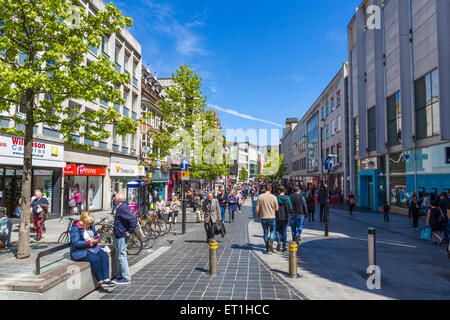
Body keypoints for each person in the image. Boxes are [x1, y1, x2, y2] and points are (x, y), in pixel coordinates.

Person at [69, 212, 115, 288]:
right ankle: (100, 280)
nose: (90, 225)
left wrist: (97, 239)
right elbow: (75, 243)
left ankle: (106, 280)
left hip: (92, 247)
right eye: (88, 223)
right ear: (82, 222)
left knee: (104, 255)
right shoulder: (76, 228)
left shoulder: (91, 227)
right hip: (80, 251)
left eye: (91, 223)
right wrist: (89, 242)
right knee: (95, 259)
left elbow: (95, 235)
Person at [112, 193, 137, 285]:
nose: (113, 199)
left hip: (121, 234)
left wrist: (130, 231)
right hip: (120, 234)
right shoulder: (120, 207)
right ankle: (120, 276)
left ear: (118, 199)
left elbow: (133, 219)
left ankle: (126, 278)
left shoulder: (122, 208)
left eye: (114, 198)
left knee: (121, 256)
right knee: (119, 255)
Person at [255, 184, 279, 254]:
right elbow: (277, 208)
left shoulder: (260, 197)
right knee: (272, 231)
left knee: (265, 232)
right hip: (272, 217)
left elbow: (257, 209)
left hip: (263, 217)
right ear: (271, 189)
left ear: (264, 189)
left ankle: (267, 248)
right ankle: (270, 241)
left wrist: (258, 216)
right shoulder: (274, 197)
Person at [275, 186, 292, 252]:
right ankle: (284, 246)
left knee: (276, 230)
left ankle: (279, 241)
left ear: (279, 191)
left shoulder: (277, 198)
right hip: (285, 217)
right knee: (284, 231)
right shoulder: (287, 198)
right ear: (284, 191)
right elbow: (290, 207)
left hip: (278, 216)